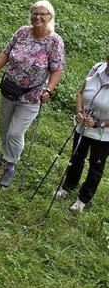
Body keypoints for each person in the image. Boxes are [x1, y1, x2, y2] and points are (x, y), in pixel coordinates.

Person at [0, 0, 65, 187]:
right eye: (35, 13)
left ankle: (11, 164)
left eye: (42, 14)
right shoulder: (22, 32)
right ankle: (5, 154)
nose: (38, 17)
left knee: (15, 132)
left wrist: (49, 89)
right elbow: (5, 53)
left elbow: (57, 69)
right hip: (9, 89)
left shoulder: (54, 41)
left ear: (50, 17)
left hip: (31, 96)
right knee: (3, 127)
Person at [54, 51, 109, 212]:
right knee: (76, 156)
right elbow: (80, 93)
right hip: (83, 125)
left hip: (103, 134)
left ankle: (83, 199)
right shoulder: (97, 68)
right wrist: (79, 112)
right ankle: (68, 187)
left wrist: (98, 123)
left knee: (96, 166)